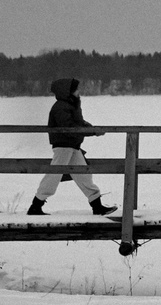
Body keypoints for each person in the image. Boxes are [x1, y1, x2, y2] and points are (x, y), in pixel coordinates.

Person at [31, 76, 116, 216]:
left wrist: (93, 129)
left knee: (84, 175)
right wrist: (91, 131)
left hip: (72, 146)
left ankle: (97, 207)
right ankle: (35, 206)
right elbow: (69, 127)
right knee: (54, 176)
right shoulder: (61, 107)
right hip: (63, 146)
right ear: (68, 91)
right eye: (76, 89)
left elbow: (79, 123)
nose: (78, 91)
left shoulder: (71, 105)